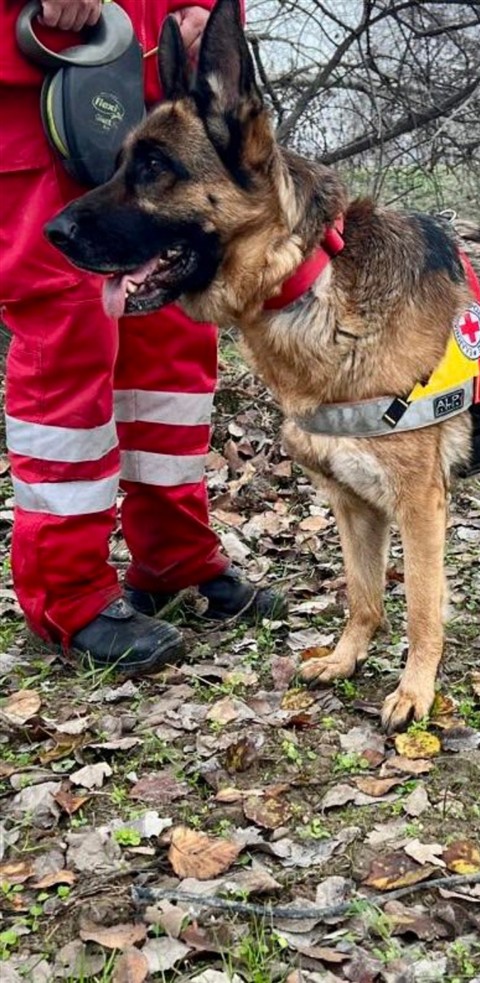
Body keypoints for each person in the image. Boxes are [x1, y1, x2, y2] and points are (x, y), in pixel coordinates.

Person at [0, 0, 283, 676]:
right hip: (44, 81)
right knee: (71, 324)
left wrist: (203, 10)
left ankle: (174, 553)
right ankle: (67, 591)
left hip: (152, 88)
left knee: (172, 343)